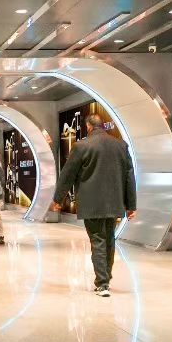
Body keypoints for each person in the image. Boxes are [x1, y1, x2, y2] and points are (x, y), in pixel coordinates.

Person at [51, 113, 136, 297]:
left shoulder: (81, 146)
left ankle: (102, 284)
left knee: (97, 240)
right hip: (114, 202)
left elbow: (67, 175)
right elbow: (129, 176)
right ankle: (106, 278)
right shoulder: (120, 145)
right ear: (101, 125)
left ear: (88, 126)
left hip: (91, 203)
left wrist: (58, 199)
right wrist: (132, 205)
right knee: (109, 239)